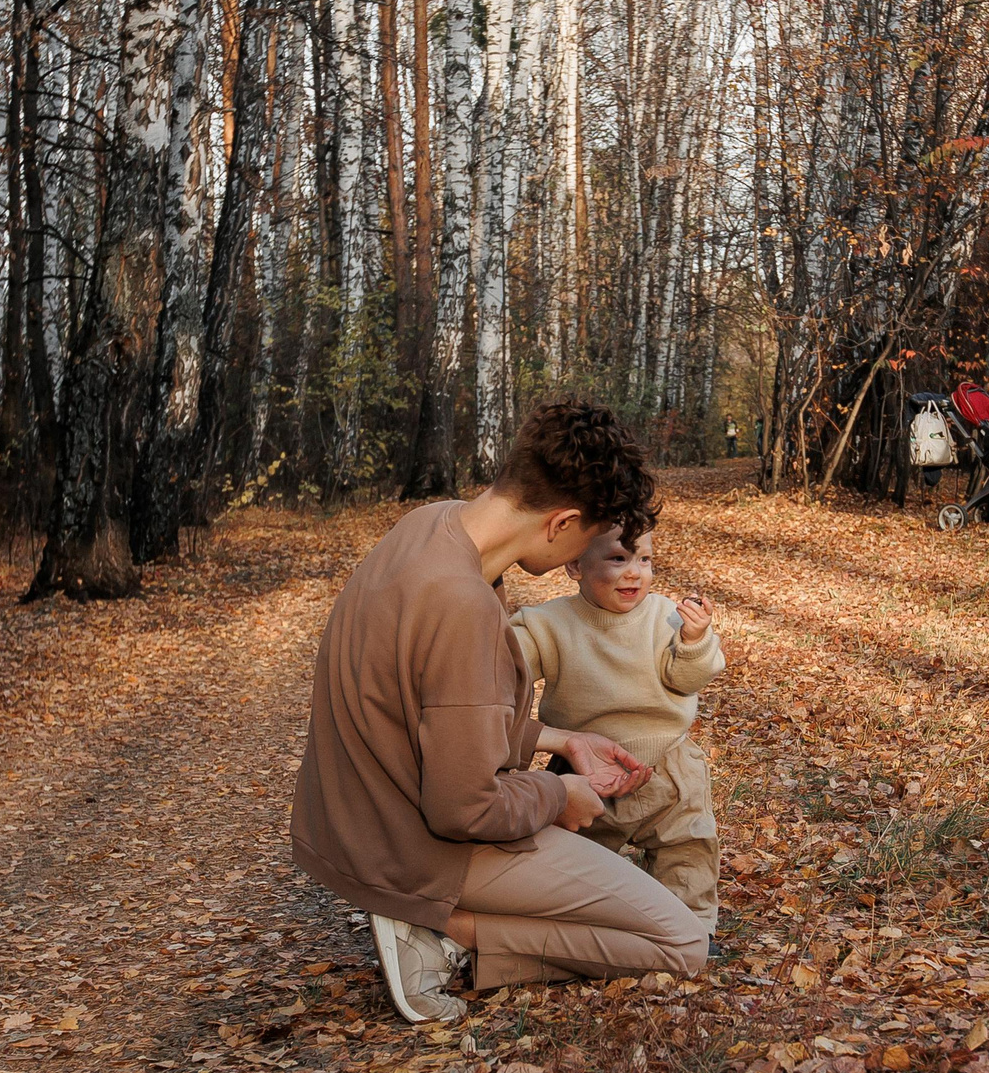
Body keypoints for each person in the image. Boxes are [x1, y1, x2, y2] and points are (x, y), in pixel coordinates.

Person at [290, 399, 711, 1023]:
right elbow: (467, 808)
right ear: (562, 522)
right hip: (419, 846)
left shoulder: (431, 526)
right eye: (592, 535)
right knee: (683, 943)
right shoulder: (462, 606)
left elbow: (438, 708)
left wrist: (561, 740)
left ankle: (445, 926)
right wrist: (557, 794)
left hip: (361, 819)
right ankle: (445, 932)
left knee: (636, 908)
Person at [511, 529, 723, 935]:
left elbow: (687, 678)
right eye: (618, 559)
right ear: (575, 565)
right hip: (586, 770)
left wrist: (695, 641)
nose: (634, 573)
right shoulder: (549, 624)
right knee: (574, 855)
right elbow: (504, 666)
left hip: (670, 765)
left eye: (644, 560)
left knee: (688, 847)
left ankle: (691, 930)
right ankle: (583, 924)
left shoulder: (667, 617)